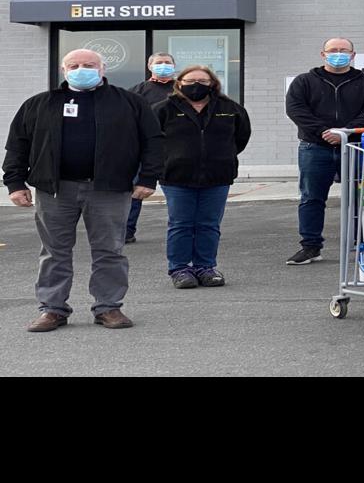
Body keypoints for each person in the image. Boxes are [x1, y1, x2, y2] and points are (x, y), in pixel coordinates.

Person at [5, 49, 163, 332]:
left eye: (89, 65)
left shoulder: (129, 102)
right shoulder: (40, 104)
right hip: (55, 190)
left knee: (110, 250)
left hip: (109, 188)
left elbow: (153, 141)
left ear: (102, 69)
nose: (82, 69)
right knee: (53, 252)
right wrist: (15, 183)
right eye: (74, 65)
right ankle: (52, 309)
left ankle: (108, 307)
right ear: (63, 70)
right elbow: (18, 144)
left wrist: (148, 178)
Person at [283, 37, 364, 266]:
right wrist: (323, 132)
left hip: (355, 146)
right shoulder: (304, 81)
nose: (338, 54)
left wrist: (346, 132)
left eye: (343, 50)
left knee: (361, 197)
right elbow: (295, 110)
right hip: (314, 147)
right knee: (311, 198)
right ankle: (310, 247)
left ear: (353, 54)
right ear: (323, 54)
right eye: (333, 50)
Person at [153, 66, 252, 289]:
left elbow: (241, 137)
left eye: (203, 81)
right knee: (181, 224)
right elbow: (152, 139)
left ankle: (205, 267)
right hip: (176, 176)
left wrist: (223, 156)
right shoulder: (163, 109)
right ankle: (179, 269)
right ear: (179, 83)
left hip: (218, 176)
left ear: (212, 83)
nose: (196, 85)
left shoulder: (230, 108)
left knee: (209, 224)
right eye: (190, 80)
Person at [123, 52, 177, 243]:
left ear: (174, 66)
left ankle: (183, 231)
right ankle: (126, 231)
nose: (163, 65)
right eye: (159, 62)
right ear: (150, 66)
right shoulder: (137, 91)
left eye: (167, 62)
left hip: (176, 149)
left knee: (180, 193)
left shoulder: (182, 89)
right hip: (144, 149)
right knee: (135, 191)